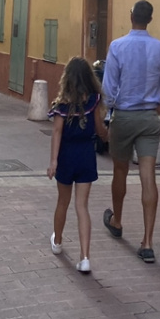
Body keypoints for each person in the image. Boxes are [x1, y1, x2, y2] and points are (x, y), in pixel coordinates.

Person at [101, 0, 160, 264]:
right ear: (150, 19)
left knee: (120, 171)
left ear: (131, 17)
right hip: (149, 117)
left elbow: (109, 87)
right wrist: (156, 109)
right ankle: (148, 242)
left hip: (125, 117)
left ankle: (117, 220)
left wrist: (108, 117)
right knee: (148, 176)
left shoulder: (117, 46)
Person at [47, 57, 108, 274]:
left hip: (66, 156)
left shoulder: (61, 105)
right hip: (86, 156)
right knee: (82, 206)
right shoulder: (93, 101)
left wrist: (53, 161)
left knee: (62, 202)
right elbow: (100, 130)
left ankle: (58, 241)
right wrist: (107, 136)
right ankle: (84, 257)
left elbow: (57, 133)